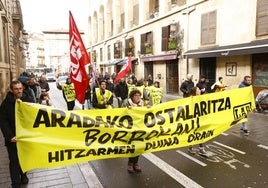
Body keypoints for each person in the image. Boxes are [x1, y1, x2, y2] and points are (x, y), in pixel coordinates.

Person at [0, 80, 29, 188]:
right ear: (11, 90)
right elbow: (3, 121)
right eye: (16, 89)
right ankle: (15, 183)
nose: (19, 91)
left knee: (23, 158)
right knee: (14, 160)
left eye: (20, 88)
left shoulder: (27, 99)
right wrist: (9, 136)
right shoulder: (6, 104)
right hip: (12, 138)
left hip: (25, 137)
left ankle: (23, 175)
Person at [121, 89, 144, 173]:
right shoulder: (126, 102)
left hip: (139, 128)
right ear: (132, 96)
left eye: (139, 95)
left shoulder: (142, 103)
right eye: (136, 96)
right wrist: (126, 109)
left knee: (138, 146)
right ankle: (130, 163)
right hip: (130, 128)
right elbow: (120, 113)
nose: (138, 97)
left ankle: (136, 163)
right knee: (132, 146)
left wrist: (149, 108)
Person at [187, 86, 207, 155]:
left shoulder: (201, 97)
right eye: (198, 89)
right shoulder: (191, 99)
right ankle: (190, 148)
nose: (199, 90)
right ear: (195, 92)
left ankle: (201, 148)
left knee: (200, 133)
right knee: (193, 134)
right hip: (193, 120)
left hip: (200, 119)